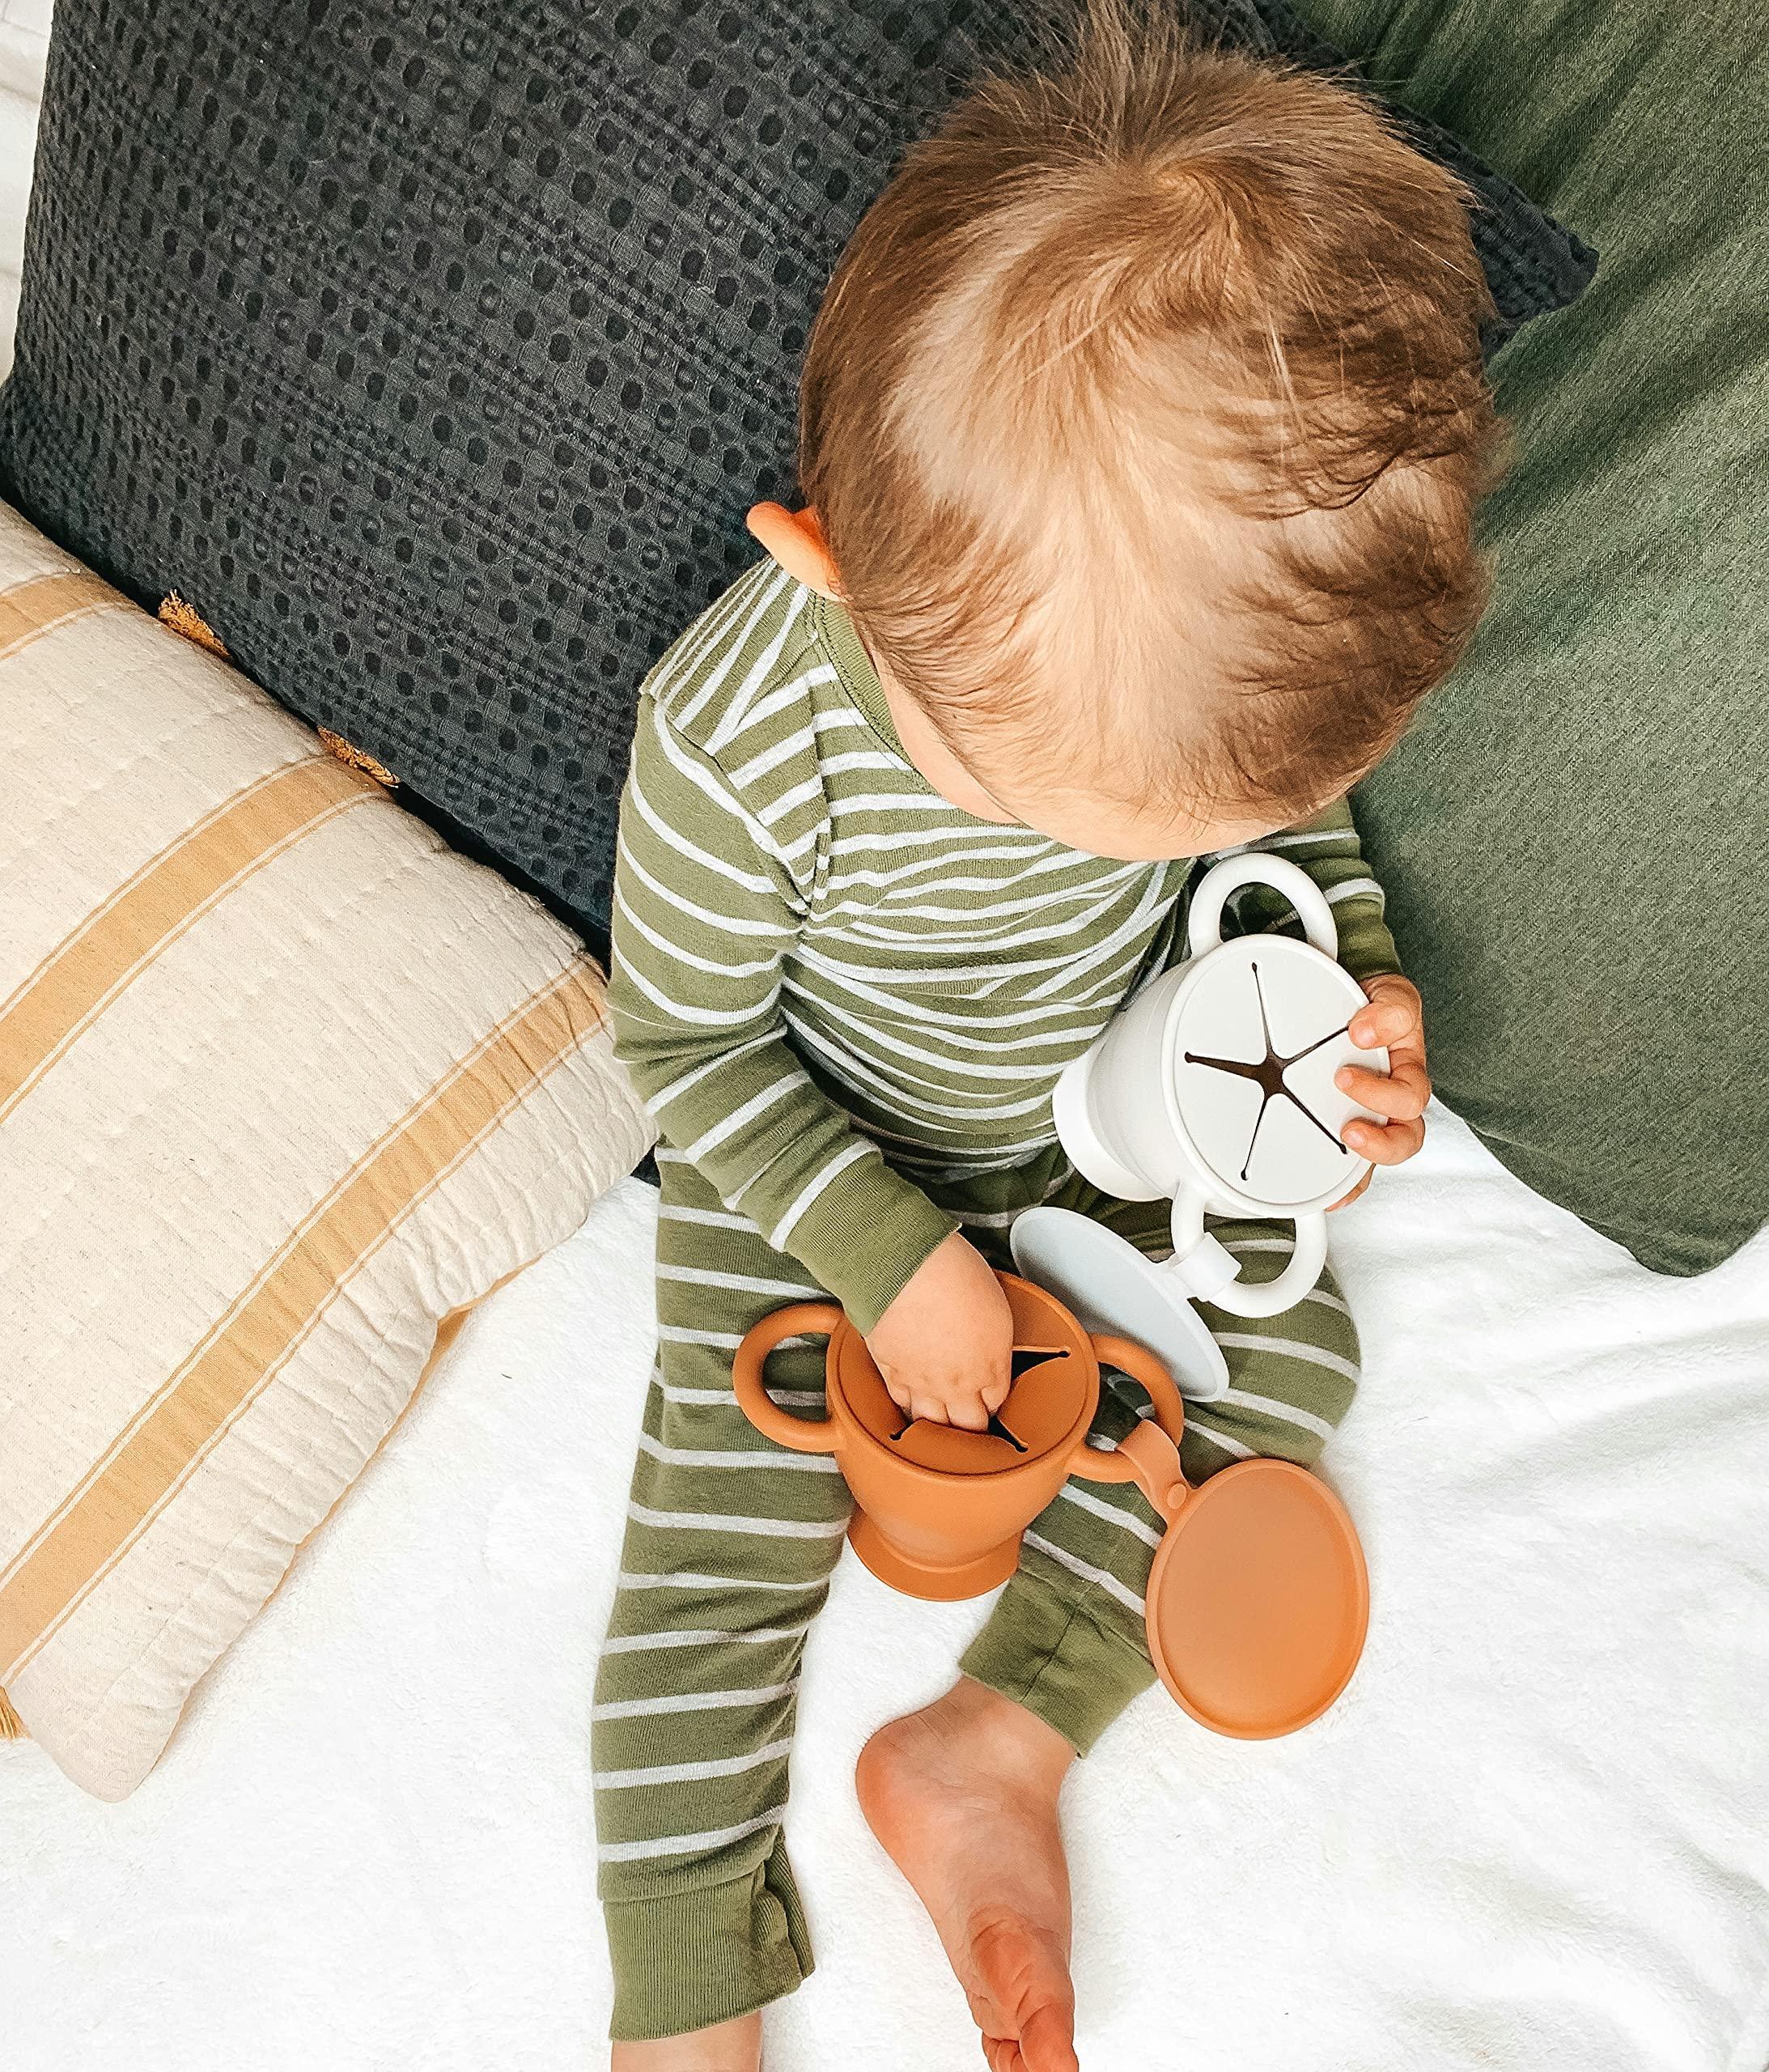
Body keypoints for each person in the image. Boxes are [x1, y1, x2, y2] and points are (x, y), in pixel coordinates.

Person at [593, 11, 1497, 2066]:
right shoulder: (742, 733)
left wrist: (1343, 983)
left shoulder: (1188, 678)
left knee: (1297, 1343)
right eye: (1055, 806)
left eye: (1181, 821)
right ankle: (686, 1979)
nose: (1161, 846)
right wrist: (891, 1253)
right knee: (712, 1529)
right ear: (833, 567)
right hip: (811, 1145)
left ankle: (991, 1742)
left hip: (1097, 1100)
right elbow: (685, 1044)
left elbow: (1285, 818)